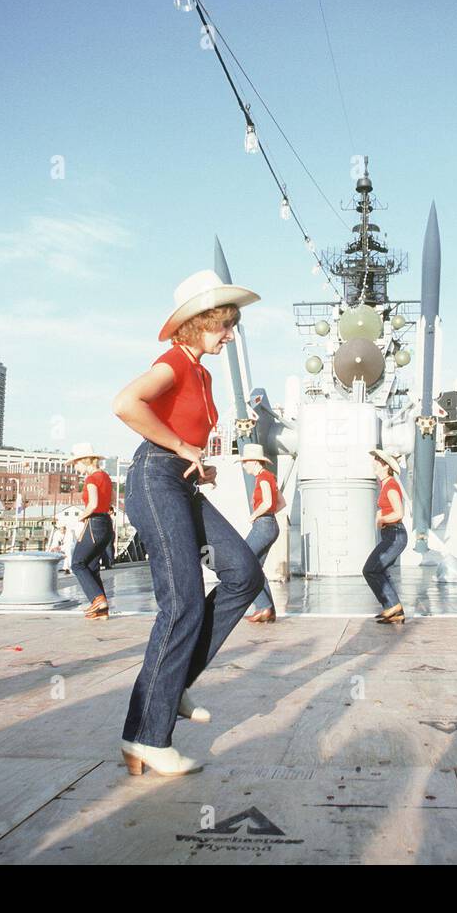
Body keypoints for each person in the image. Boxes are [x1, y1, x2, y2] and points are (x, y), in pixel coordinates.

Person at [111, 269, 266, 777]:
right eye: (224, 325)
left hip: (180, 482)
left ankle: (171, 685)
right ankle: (146, 738)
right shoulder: (175, 362)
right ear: (200, 323)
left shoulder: (203, 372)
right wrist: (180, 447)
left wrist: (196, 459)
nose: (230, 334)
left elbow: (183, 430)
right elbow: (124, 403)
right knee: (181, 603)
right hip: (154, 481)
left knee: (244, 573)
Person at [68, 444, 114, 620]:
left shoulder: (91, 479)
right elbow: (110, 501)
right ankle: (101, 610)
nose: (75, 467)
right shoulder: (106, 477)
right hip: (106, 524)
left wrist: (80, 517)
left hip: (94, 523)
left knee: (77, 563)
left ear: (84, 460)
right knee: (92, 566)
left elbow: (93, 504)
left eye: (75, 463)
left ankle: (98, 600)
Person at [238, 443, 282, 623]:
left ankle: (264, 607)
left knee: (243, 562)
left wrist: (255, 516)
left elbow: (268, 501)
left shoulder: (263, 478)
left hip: (263, 525)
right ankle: (266, 610)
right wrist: (269, 517)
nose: (244, 465)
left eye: (245, 462)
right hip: (270, 524)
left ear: (255, 461)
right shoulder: (270, 477)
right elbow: (281, 503)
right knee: (255, 567)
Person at [364, 448, 408, 624]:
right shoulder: (385, 485)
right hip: (391, 534)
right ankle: (395, 612)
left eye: (377, 461)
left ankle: (392, 606)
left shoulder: (391, 486)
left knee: (370, 569)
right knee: (379, 570)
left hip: (395, 534)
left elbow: (399, 513)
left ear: (385, 466)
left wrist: (381, 518)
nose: (374, 463)